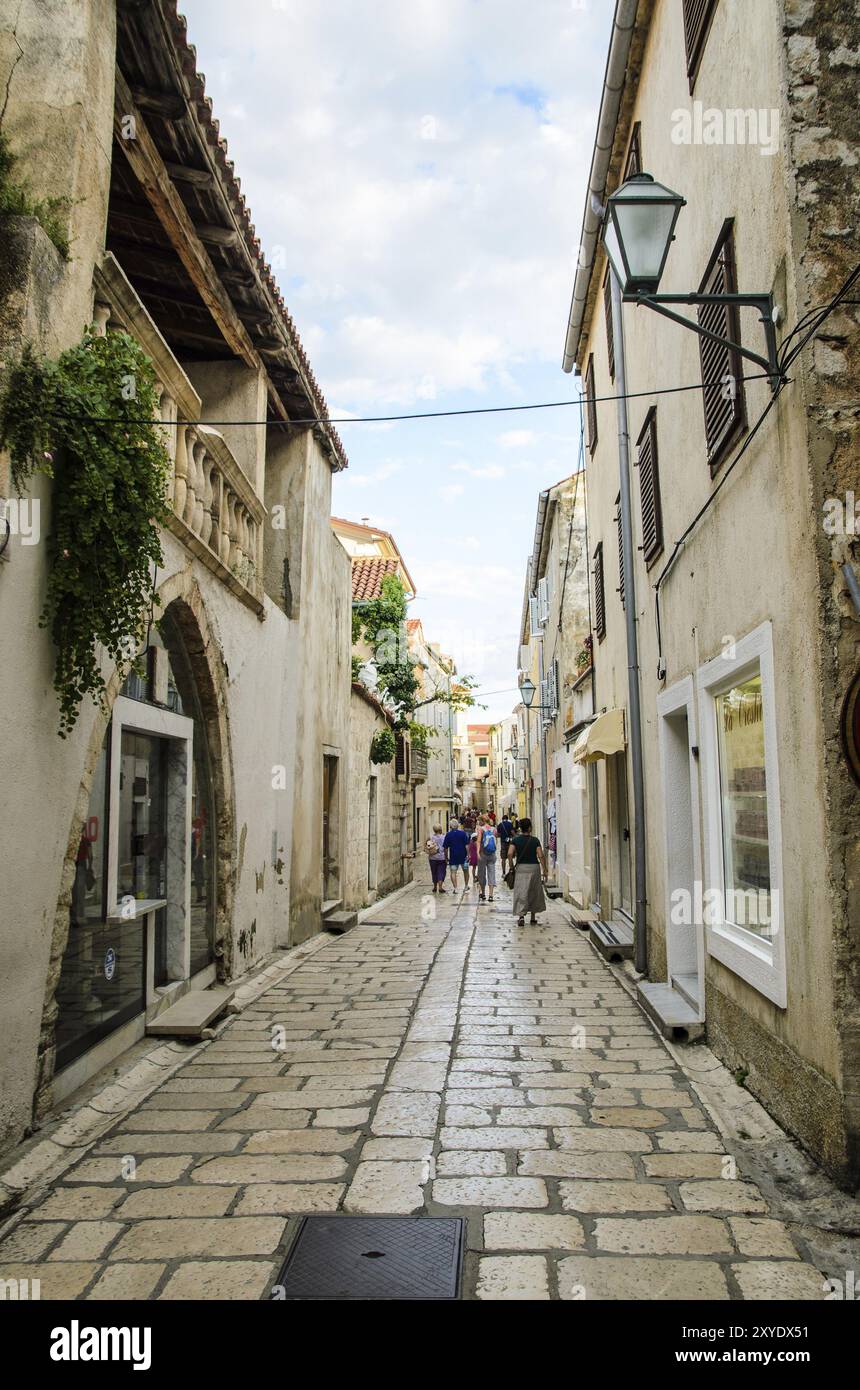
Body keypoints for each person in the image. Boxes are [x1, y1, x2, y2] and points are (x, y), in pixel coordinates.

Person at [507, 817, 547, 926]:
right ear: (529, 828)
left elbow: (510, 853)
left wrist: (511, 866)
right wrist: (545, 869)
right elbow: (540, 855)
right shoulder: (535, 840)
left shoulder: (515, 840)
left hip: (521, 868)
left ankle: (521, 916)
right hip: (534, 868)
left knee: (521, 891)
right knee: (534, 891)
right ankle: (533, 917)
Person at [443, 817, 470, 892]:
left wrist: (446, 857)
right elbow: (467, 845)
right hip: (463, 856)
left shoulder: (448, 835)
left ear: (450, 826)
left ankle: (455, 888)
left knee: (453, 872)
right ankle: (466, 886)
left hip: (453, 856)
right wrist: (468, 855)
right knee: (466, 871)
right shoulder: (463, 833)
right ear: (457, 825)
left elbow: (445, 848)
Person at [476, 816, 497, 903]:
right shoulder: (494, 829)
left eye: (479, 821)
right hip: (492, 854)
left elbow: (478, 841)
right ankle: (491, 895)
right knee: (491, 873)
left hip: (483, 854)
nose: (478, 822)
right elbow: (495, 841)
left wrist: (477, 852)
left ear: (482, 821)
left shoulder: (481, 829)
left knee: (482, 873)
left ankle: (483, 893)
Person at [426, 824, 447, 893]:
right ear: (440, 829)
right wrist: (446, 857)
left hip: (432, 858)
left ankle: (435, 887)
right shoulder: (444, 837)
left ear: (434, 830)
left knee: (434, 872)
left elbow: (427, 845)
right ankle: (440, 887)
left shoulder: (431, 838)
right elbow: (446, 848)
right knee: (441, 872)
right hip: (442, 858)